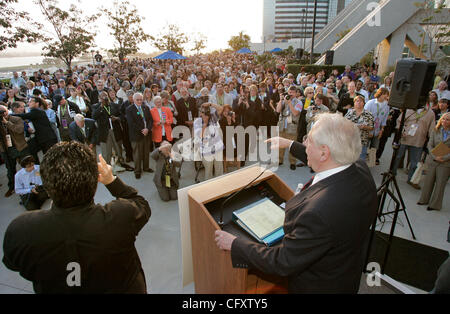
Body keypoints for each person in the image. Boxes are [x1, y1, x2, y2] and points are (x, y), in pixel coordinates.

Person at [215, 113, 378, 294]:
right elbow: (328, 158)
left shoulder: (320, 212)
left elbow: (283, 261)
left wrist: (236, 244)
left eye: (308, 139)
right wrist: (290, 144)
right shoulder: (359, 169)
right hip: (345, 275)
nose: (305, 143)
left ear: (324, 152)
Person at [2, 142, 151, 293]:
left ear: (46, 187)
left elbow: (13, 263)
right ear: (94, 183)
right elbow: (141, 204)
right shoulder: (120, 216)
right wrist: (111, 180)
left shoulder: (21, 231)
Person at [392, 106, 436, 188]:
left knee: (415, 161)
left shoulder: (430, 113)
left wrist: (431, 142)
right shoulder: (408, 109)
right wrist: (401, 131)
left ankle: (411, 179)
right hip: (404, 138)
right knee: (397, 156)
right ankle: (392, 173)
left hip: (419, 140)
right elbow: (399, 121)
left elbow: (432, 129)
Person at [417, 112, 450, 211]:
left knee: (440, 184)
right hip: (432, 159)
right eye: (444, 119)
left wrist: (443, 158)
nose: (445, 121)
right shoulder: (435, 130)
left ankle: (435, 205)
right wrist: (434, 156)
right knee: (428, 181)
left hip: (445, 163)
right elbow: (429, 145)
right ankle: (424, 199)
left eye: (448, 120)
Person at [0, 104, 29, 197]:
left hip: (19, 147)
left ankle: (31, 183)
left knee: (27, 165)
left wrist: (7, 122)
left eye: (3, 111)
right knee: (10, 169)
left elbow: (19, 130)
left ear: (7, 111)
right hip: (6, 149)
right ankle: (12, 187)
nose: (3, 114)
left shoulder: (16, 119)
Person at [126, 93, 153, 179]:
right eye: (137, 100)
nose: (139, 101)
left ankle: (146, 167)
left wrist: (147, 129)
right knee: (137, 154)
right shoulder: (129, 109)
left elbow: (150, 120)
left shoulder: (146, 107)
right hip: (136, 135)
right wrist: (142, 130)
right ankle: (137, 171)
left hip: (146, 134)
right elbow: (131, 123)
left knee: (146, 152)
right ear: (133, 100)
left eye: (141, 99)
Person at [194, 103, 224, 181]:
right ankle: (209, 189)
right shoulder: (197, 122)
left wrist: (210, 104)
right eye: (203, 112)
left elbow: (221, 109)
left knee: (219, 170)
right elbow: (201, 135)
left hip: (217, 149)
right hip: (206, 151)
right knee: (208, 172)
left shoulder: (213, 117)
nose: (205, 114)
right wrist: (205, 123)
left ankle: (220, 186)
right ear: (200, 113)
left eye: (207, 111)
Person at [277, 86, 303, 170]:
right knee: (280, 144)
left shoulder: (299, 102)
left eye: (292, 92)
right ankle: (280, 160)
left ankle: (292, 162)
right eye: (289, 92)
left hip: (292, 127)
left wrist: (289, 103)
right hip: (282, 126)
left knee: (292, 146)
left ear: (296, 93)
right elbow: (278, 110)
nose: (290, 94)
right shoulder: (284, 100)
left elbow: (295, 113)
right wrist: (281, 100)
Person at [364, 88, 390, 165]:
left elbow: (384, 119)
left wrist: (382, 130)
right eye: (385, 94)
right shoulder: (370, 103)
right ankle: (362, 163)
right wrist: (368, 130)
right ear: (380, 94)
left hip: (377, 130)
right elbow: (365, 117)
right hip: (368, 129)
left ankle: (370, 164)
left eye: (387, 94)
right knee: (365, 147)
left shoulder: (387, 106)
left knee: (374, 148)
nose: (386, 96)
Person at [345, 96, 374, 161]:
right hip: (350, 141)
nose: (358, 103)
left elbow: (371, 128)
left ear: (363, 103)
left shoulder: (368, 114)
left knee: (360, 161)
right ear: (354, 103)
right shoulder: (350, 113)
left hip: (362, 141)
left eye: (360, 101)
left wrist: (364, 127)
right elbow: (344, 124)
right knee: (348, 160)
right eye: (357, 101)